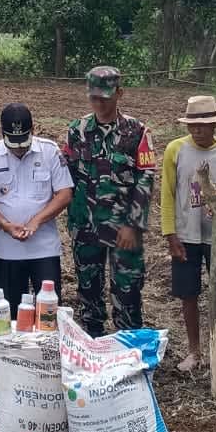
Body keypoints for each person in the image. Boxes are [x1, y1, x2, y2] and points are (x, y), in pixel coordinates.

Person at [64, 66, 156, 336]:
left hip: (124, 228)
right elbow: (68, 175)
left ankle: (126, 348)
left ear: (119, 93)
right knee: (88, 291)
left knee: (128, 293)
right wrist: (73, 220)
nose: (99, 103)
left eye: (104, 97)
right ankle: (93, 345)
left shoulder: (137, 131)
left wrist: (133, 225)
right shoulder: (77, 130)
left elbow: (146, 179)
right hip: (86, 225)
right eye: (94, 97)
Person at [160, 95, 216, 374]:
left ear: (215, 125)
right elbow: (168, 194)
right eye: (192, 125)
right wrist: (170, 234)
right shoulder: (175, 150)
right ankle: (194, 351)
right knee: (188, 294)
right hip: (187, 234)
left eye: (204, 125)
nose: (197, 130)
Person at [0, 102, 73, 304]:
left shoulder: (50, 151)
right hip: (5, 250)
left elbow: (64, 193)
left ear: (33, 129)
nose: (19, 148)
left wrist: (36, 221)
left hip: (44, 248)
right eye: (13, 143)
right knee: (10, 311)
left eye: (23, 141)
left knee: (48, 310)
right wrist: (5, 225)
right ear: (2, 132)